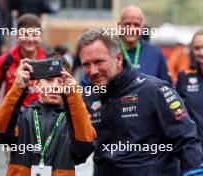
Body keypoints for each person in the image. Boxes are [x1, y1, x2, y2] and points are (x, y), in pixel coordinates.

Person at [78, 28, 203, 176]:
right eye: (86, 64)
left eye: (99, 62)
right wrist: (69, 103)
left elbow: (186, 140)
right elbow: (78, 153)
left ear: (118, 58)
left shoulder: (155, 90)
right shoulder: (88, 98)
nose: (93, 71)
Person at [0, 56, 96, 175]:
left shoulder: (73, 120)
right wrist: (17, 88)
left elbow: (84, 149)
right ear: (37, 83)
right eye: (49, 80)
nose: (55, 86)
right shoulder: (22, 115)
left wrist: (73, 95)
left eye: (61, 82)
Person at [80, 6, 171, 87]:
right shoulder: (106, 49)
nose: (131, 29)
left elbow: (166, 86)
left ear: (143, 28)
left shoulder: (155, 53)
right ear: (119, 26)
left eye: (136, 25)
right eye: (127, 24)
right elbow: (87, 83)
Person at [0, 13, 46, 120]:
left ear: (41, 37)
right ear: (17, 36)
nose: (30, 39)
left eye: (34, 35)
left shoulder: (48, 61)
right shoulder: (4, 61)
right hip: (11, 123)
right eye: (25, 34)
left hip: (42, 125)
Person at [176, 29, 203, 149]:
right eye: (197, 48)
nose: (201, 52)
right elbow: (176, 112)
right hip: (195, 151)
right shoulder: (184, 77)